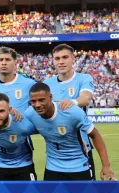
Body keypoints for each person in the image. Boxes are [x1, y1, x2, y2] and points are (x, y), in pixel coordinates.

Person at [25, 82, 115, 181]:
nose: (37, 105)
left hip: (79, 166)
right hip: (52, 168)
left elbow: (95, 135)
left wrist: (106, 166)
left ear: (50, 97)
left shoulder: (72, 112)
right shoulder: (30, 114)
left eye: (41, 100)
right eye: (33, 101)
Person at [44, 44, 96, 179]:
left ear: (73, 59)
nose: (61, 61)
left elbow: (85, 98)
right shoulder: (47, 84)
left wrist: (72, 102)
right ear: (53, 61)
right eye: (57, 58)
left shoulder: (84, 78)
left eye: (65, 57)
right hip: (55, 152)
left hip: (81, 147)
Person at [0, 47, 37, 113]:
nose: (4, 63)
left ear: (15, 64)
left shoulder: (29, 84)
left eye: (7, 59)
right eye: (1, 60)